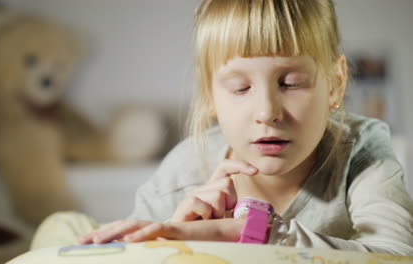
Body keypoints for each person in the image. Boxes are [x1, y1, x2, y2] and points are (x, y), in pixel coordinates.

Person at [31, 0, 413, 255]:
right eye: (240, 88)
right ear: (210, 94)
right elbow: (143, 247)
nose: (266, 111)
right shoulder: (184, 172)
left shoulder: (363, 152)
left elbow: (396, 256)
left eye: (291, 83)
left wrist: (247, 234)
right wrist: (175, 243)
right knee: (62, 227)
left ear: (335, 83)